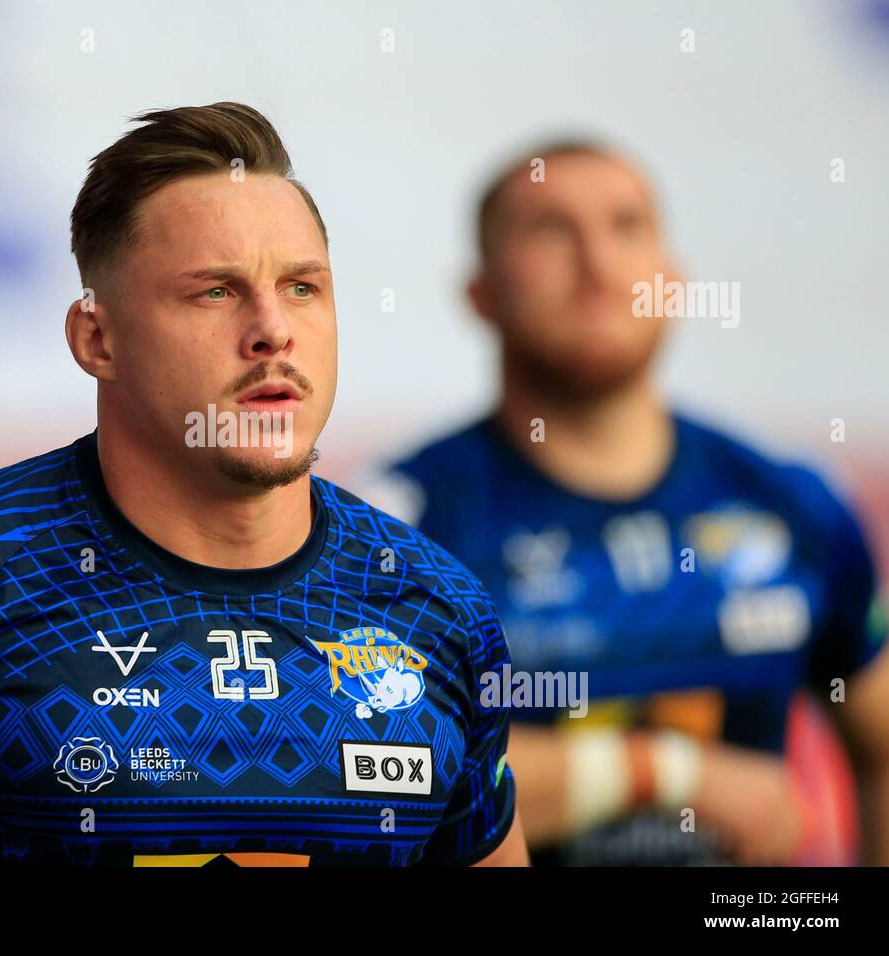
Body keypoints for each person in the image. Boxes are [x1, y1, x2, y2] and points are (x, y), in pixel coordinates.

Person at [0, 103, 527, 866]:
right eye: (216, 292)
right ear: (98, 339)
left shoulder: (438, 609)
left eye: (302, 287)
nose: (273, 331)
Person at [362, 141, 888, 865]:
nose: (597, 263)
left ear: (672, 282)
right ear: (480, 294)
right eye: (550, 230)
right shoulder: (401, 528)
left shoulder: (793, 502)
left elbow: (883, 744)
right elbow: (383, 772)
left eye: (626, 226)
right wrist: (671, 775)